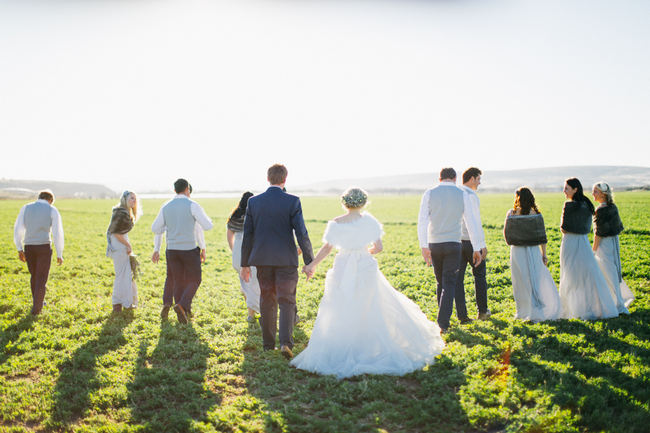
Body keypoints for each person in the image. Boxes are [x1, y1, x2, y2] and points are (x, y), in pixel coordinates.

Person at [291, 188, 445, 379]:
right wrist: (363, 252)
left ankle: (342, 344)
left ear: (344, 203)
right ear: (363, 203)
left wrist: (312, 264)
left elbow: (327, 248)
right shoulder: (370, 222)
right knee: (369, 305)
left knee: (341, 305)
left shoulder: (336, 222)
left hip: (343, 264)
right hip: (365, 264)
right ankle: (369, 346)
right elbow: (378, 247)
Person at [240, 164, 314, 359]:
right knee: (287, 300)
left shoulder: (254, 202)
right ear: (285, 179)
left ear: (268, 179)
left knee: (267, 298)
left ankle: (267, 345)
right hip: (286, 260)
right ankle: (285, 343)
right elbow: (302, 233)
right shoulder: (293, 201)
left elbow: (247, 235)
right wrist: (309, 261)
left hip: (262, 260)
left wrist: (244, 264)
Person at [417, 167, 483, 333]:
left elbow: (422, 221)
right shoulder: (462, 194)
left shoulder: (429, 193)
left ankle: (442, 320)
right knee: (450, 283)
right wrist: (476, 247)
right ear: (454, 178)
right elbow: (471, 223)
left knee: (441, 282)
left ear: (440, 179)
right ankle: (443, 323)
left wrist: (424, 246)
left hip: (434, 243)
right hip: (454, 243)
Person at [152, 178, 213, 323]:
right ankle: (182, 305)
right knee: (195, 279)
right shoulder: (193, 205)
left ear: (174, 190)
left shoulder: (165, 206)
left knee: (177, 280)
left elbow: (155, 229)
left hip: (171, 249)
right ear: (187, 188)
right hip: (189, 249)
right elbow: (207, 226)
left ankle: (182, 313)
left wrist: (169, 227)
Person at [559, 178, 618, 320]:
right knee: (588, 274)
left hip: (570, 242)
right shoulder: (588, 204)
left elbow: (564, 228)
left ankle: (572, 308)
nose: (564, 191)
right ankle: (597, 305)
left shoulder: (569, 206)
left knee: (570, 273)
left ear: (575, 189)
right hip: (584, 241)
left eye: (567, 188)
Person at [504, 187, 561, 322]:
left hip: (517, 250)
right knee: (536, 279)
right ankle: (539, 308)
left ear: (517, 198)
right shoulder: (536, 214)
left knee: (520, 281)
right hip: (534, 250)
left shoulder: (511, 214)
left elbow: (507, 236)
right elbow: (542, 236)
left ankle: (523, 311)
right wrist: (544, 254)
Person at [13, 189, 64, 315]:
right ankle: (37, 309)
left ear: (39, 197)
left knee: (34, 275)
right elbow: (57, 233)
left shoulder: (26, 207)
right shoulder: (52, 210)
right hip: (44, 247)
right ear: (50, 200)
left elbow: (18, 228)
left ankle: (38, 302)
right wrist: (59, 253)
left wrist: (19, 248)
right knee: (41, 278)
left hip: (29, 246)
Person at [591, 181, 633, 313]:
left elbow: (598, 233)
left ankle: (614, 300)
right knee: (612, 269)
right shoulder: (613, 207)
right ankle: (616, 297)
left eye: (595, 191)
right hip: (614, 241)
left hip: (604, 245)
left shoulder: (601, 210)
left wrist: (594, 249)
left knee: (606, 269)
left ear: (603, 194)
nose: (593, 194)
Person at [457, 167, 490, 321]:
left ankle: (462, 315)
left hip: (457, 241)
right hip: (471, 243)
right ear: (471, 178)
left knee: (458, 280)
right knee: (480, 276)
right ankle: (482, 311)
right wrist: (481, 245)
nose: (479, 182)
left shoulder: (455, 193)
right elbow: (475, 222)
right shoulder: (471, 195)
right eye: (478, 179)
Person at [106, 190, 142, 313]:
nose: (134, 201)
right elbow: (115, 232)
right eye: (131, 198)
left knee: (126, 273)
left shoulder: (124, 211)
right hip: (119, 244)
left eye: (135, 198)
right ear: (125, 199)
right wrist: (127, 245)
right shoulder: (121, 212)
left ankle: (126, 302)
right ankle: (118, 303)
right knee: (122, 274)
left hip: (120, 242)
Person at [227, 191, 260, 322]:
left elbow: (229, 236)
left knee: (245, 283)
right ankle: (259, 309)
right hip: (252, 250)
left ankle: (250, 314)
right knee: (255, 282)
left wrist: (234, 250)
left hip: (238, 252)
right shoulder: (255, 215)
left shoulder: (235, 215)